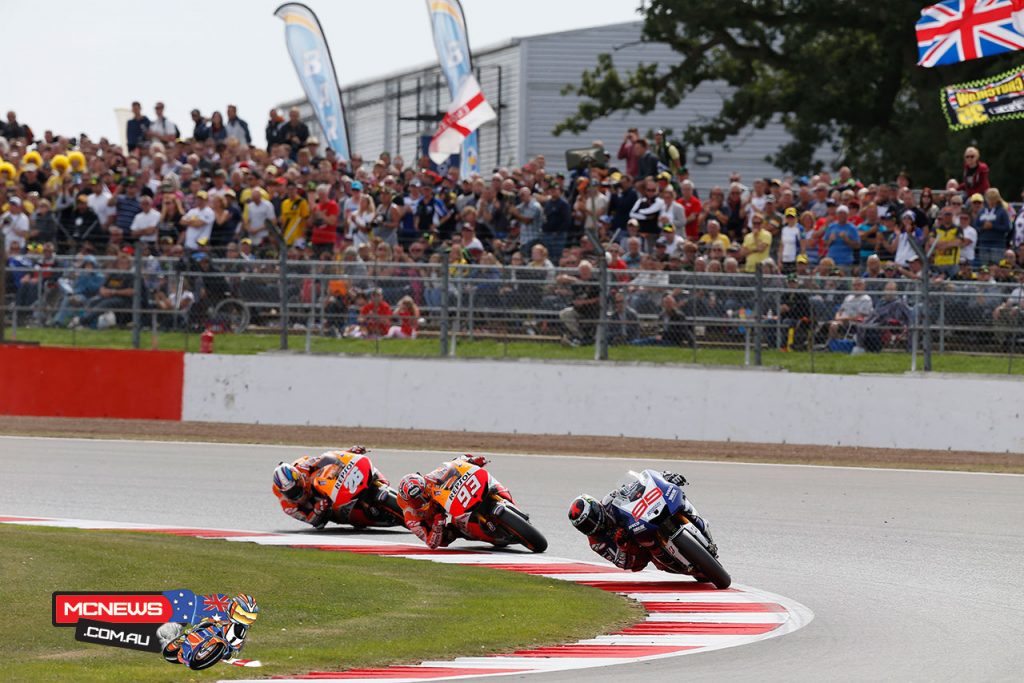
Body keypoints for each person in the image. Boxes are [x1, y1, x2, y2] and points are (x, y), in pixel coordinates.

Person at [567, 470, 715, 573]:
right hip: (642, 547)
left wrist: (666, 477)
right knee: (658, 561)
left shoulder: (609, 500)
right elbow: (626, 564)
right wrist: (624, 545)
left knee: (676, 498)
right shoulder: (597, 543)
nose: (592, 525)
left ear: (596, 507)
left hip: (645, 518)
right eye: (585, 526)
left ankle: (699, 523)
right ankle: (685, 566)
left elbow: (640, 485)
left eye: (590, 519)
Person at [396, 455, 512, 549]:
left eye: (423, 493)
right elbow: (432, 544)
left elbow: (454, 464)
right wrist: (437, 526)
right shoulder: (411, 518)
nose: (423, 500)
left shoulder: (430, 479)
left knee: (488, 483)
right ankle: (479, 533)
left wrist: (471, 460)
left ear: (424, 485)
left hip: (456, 498)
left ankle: (503, 496)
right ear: (409, 502)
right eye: (417, 500)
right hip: (441, 521)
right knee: (449, 535)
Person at [271, 447, 388, 528]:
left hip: (326, 485)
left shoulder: (303, 465)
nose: (298, 495)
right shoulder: (287, 505)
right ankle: (352, 513)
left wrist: (349, 453)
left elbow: (327, 458)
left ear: (299, 478)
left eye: (297, 489)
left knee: (321, 475)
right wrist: (317, 511)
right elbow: (311, 521)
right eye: (291, 494)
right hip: (320, 509)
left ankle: (379, 480)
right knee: (322, 522)